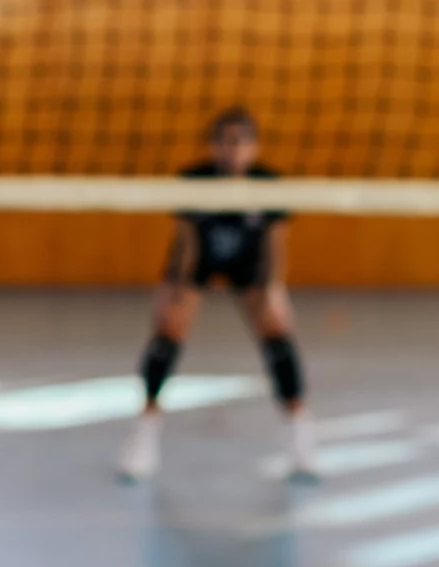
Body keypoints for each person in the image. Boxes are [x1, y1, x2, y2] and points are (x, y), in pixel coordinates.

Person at [121, 107, 319, 484]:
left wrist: (273, 289)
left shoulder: (269, 185)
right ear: (213, 146)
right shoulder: (194, 181)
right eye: (225, 141)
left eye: (241, 141)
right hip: (201, 259)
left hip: (249, 262)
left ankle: (300, 435)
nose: (233, 149)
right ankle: (144, 434)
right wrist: (178, 288)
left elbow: (275, 245)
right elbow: (185, 244)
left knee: (277, 334)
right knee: (167, 332)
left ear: (254, 146)